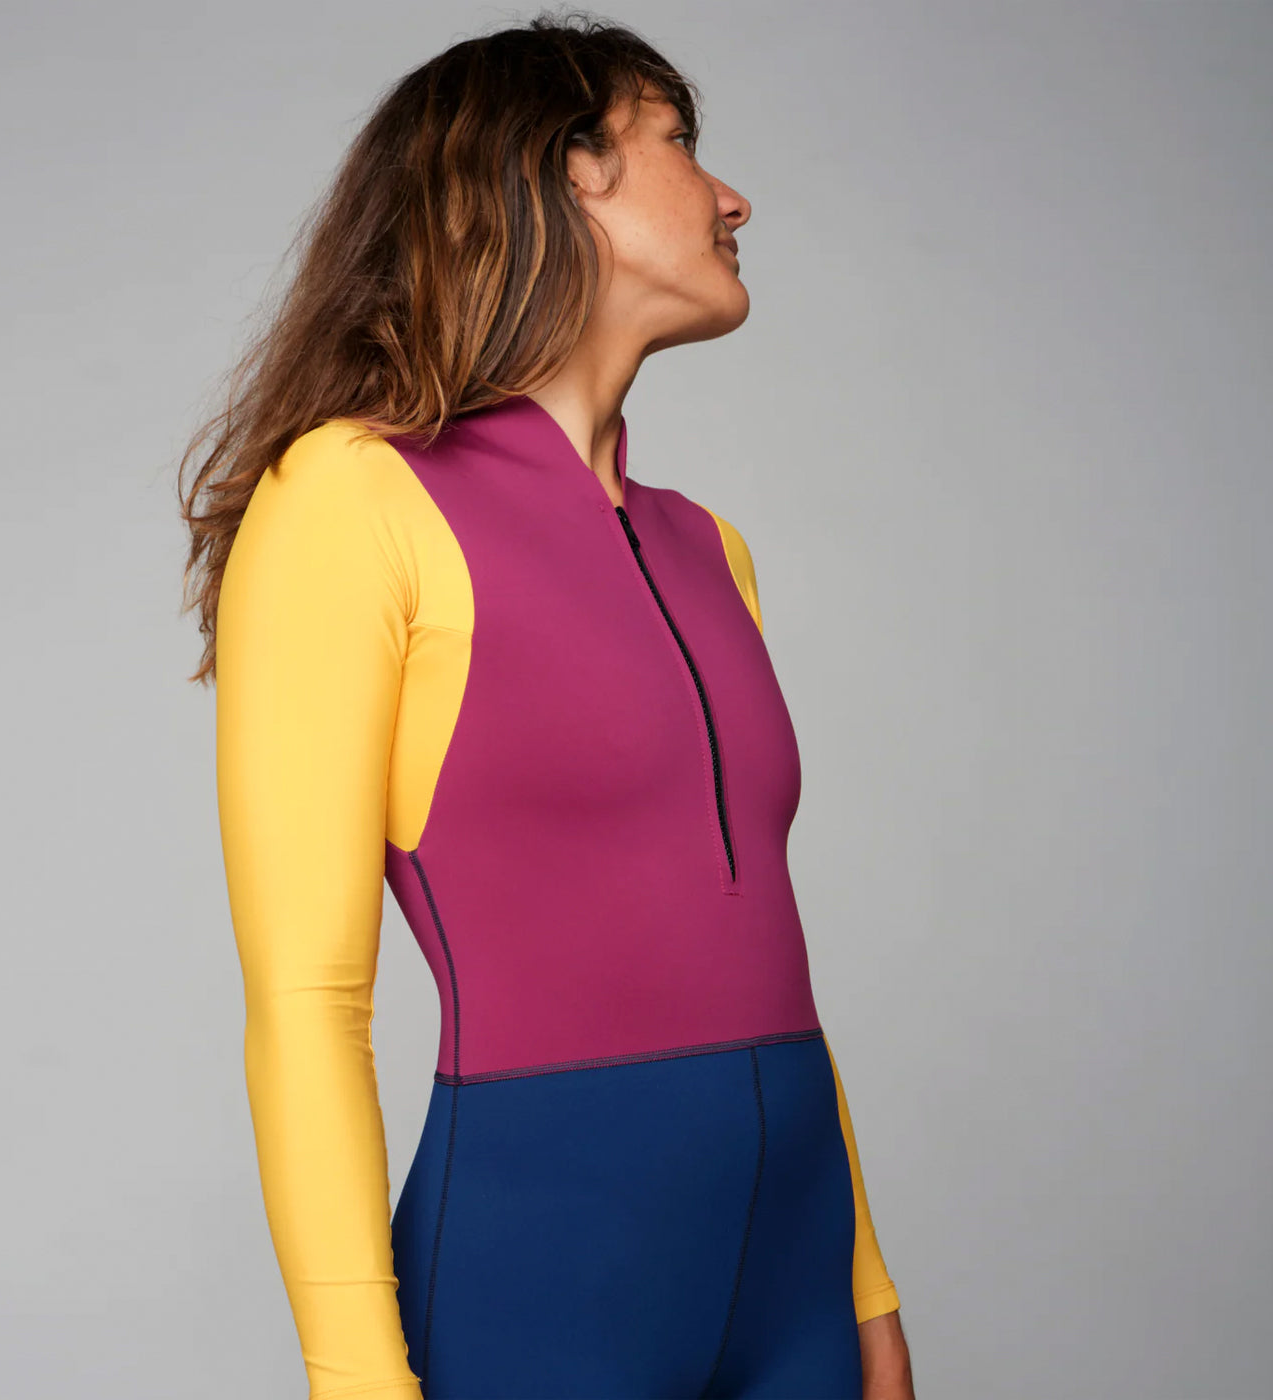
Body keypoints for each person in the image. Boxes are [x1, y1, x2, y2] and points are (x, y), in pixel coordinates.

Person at [179, 13, 915, 1400]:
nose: (732, 196)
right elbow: (309, 1002)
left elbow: (773, 949)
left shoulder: (711, 550)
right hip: (545, 1286)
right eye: (680, 143)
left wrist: (867, 1292)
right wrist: (360, 1386)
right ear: (568, 171)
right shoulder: (350, 499)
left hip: (797, 1288)